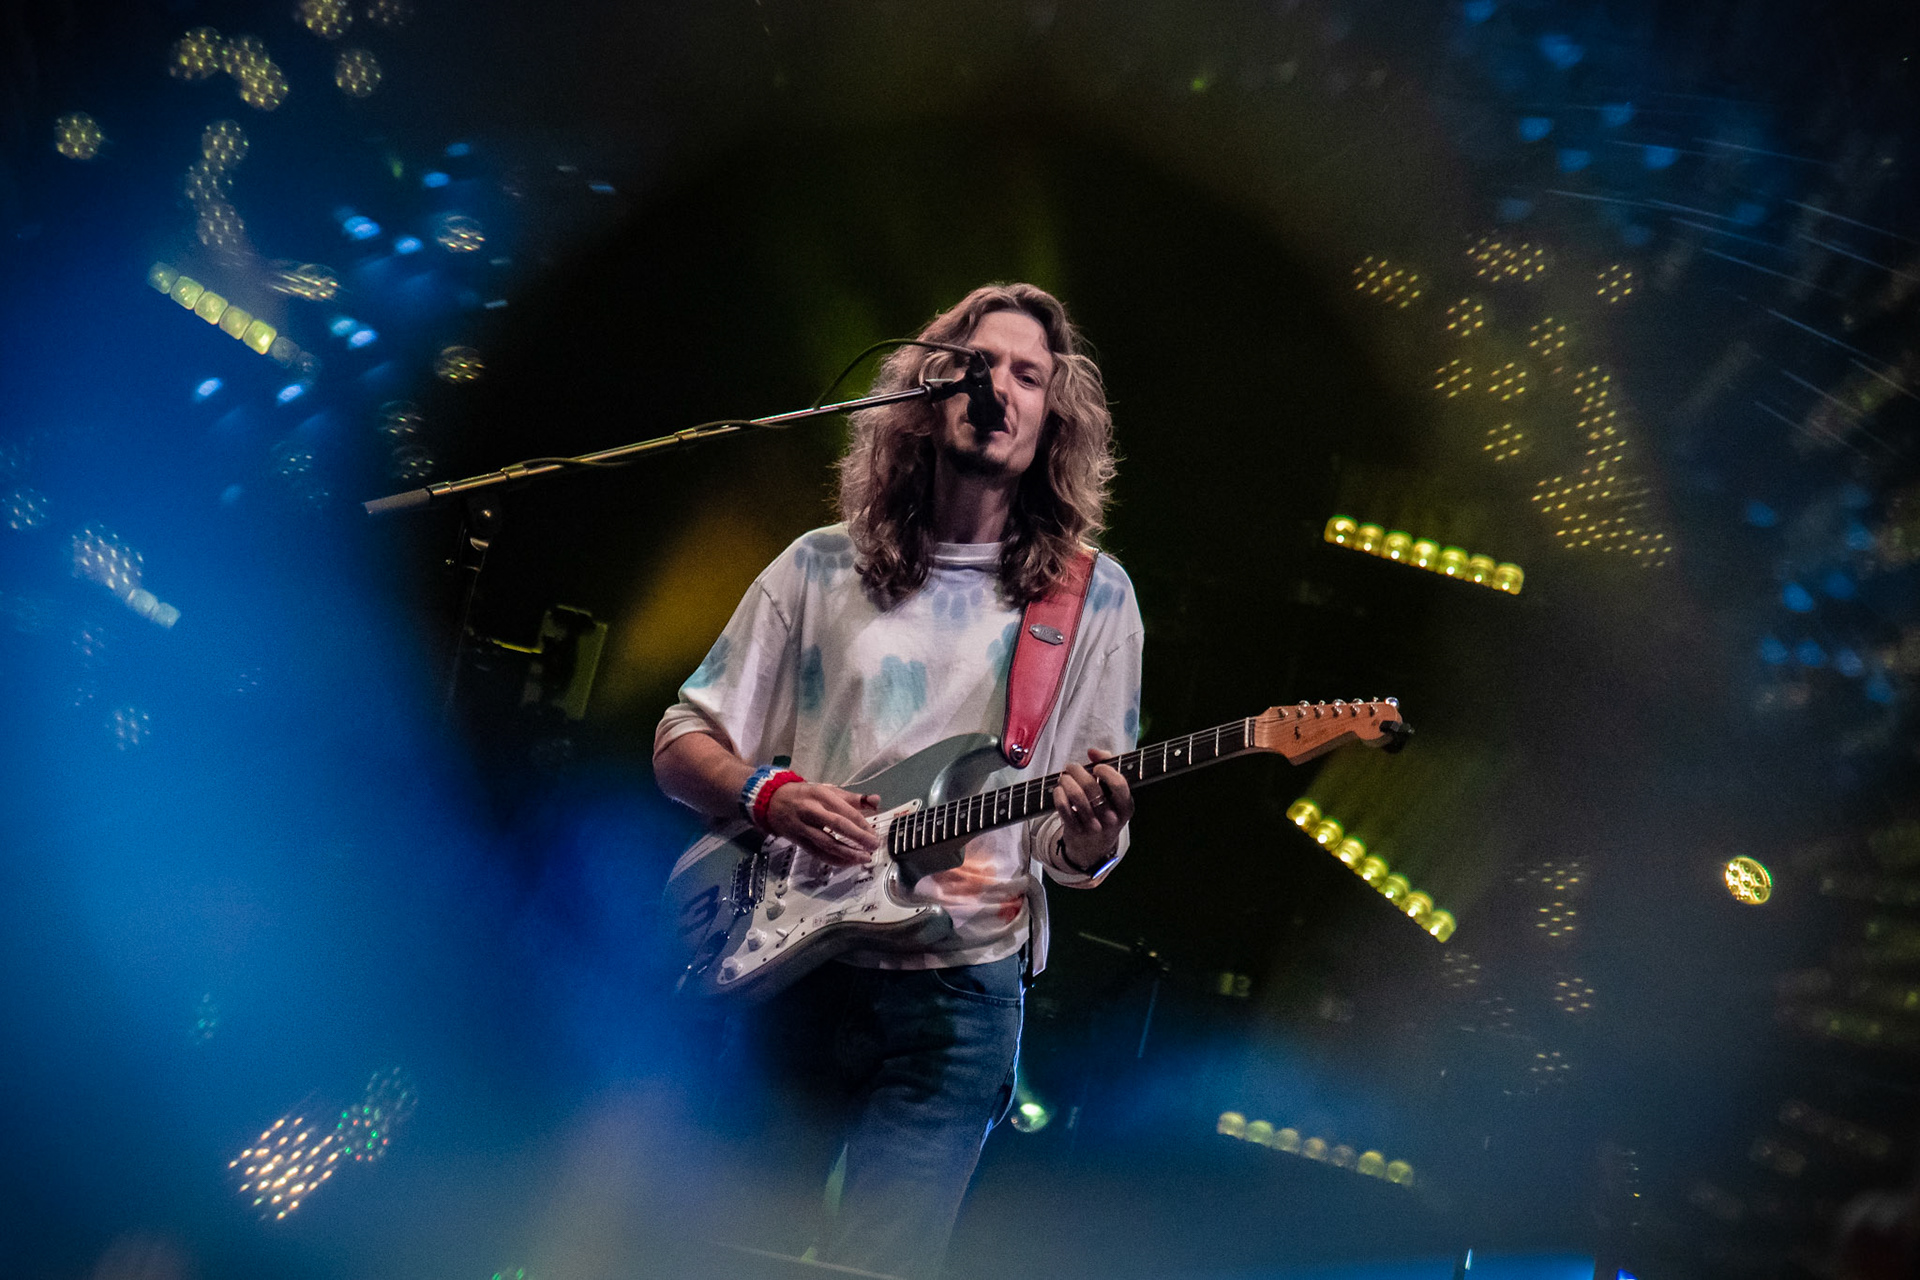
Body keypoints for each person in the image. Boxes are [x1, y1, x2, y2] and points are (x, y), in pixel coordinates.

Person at [652, 282, 1144, 1279]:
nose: (998, 387)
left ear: (1054, 418)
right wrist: (770, 795)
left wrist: (1093, 833)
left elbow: (1069, 839)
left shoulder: (1092, 600)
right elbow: (681, 740)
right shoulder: (816, 568)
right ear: (924, 393)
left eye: (1028, 374)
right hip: (790, 970)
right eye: (977, 364)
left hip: (959, 998)